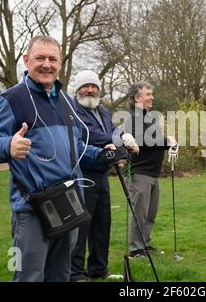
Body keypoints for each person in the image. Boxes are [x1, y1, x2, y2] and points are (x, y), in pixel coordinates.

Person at [0, 35, 115, 282]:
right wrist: (8, 144)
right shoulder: (10, 99)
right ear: (26, 60)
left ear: (60, 63)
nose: (46, 64)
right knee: (28, 276)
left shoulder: (66, 101)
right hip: (32, 208)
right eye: (39, 58)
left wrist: (106, 154)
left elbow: (77, 148)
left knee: (61, 275)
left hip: (68, 202)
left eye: (52, 59)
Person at [68, 70, 139, 281]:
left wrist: (121, 144)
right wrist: (118, 138)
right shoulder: (73, 111)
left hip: (102, 172)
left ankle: (98, 269)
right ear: (78, 89)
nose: (90, 90)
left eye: (93, 87)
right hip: (83, 173)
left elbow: (113, 132)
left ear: (99, 90)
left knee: (102, 223)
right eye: (85, 86)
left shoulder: (104, 111)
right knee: (82, 225)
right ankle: (77, 273)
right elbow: (88, 134)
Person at [124, 82, 178, 259]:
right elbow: (144, 140)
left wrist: (167, 142)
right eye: (148, 94)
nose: (152, 97)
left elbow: (155, 140)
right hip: (140, 174)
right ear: (137, 98)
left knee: (150, 213)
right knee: (139, 213)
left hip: (153, 174)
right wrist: (167, 140)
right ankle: (135, 250)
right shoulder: (133, 119)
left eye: (151, 94)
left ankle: (144, 245)